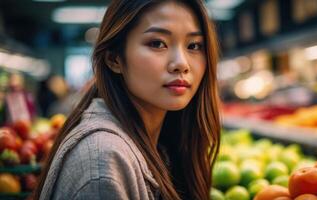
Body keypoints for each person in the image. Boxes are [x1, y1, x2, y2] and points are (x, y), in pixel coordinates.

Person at [34, 0, 220, 199]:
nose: (181, 64)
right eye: (157, 43)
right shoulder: (103, 163)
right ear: (114, 59)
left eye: (194, 45)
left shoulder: (166, 139)